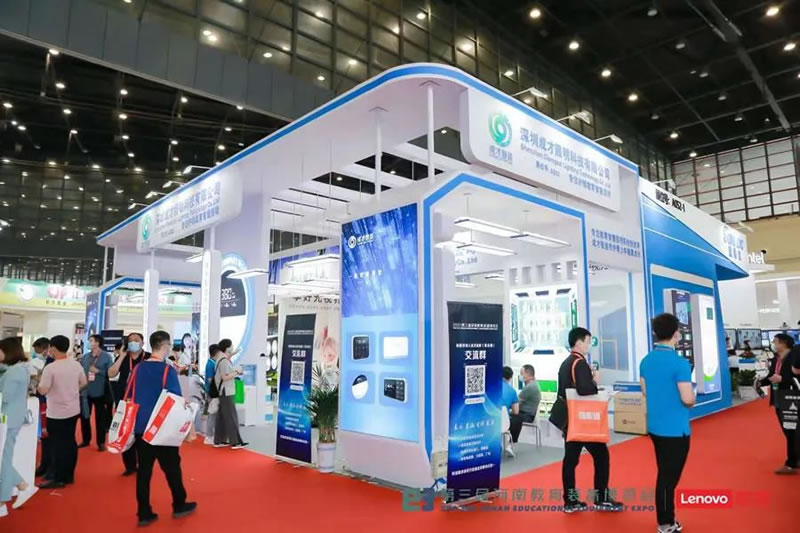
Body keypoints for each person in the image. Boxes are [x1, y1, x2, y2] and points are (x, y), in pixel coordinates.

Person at [131, 330, 196, 526]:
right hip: (162, 428)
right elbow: (176, 399)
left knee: (144, 471)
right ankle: (179, 504)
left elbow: (130, 392)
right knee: (172, 468)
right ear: (166, 345)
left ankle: (143, 512)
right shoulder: (167, 370)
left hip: (141, 426)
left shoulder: (138, 368)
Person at [640, 314, 695, 533]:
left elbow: (645, 391)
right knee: (668, 478)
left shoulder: (646, 360)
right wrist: (693, 396)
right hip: (676, 429)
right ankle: (665, 522)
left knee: (665, 473)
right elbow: (687, 399)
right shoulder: (680, 364)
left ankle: (666, 520)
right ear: (676, 334)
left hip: (655, 426)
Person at [558, 327, 623, 513]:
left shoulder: (566, 363)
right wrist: (595, 380)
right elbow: (585, 389)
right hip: (583, 421)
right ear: (579, 342)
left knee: (570, 461)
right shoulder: (579, 363)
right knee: (601, 456)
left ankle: (570, 501)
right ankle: (601, 498)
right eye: (588, 341)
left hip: (570, 420)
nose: (589, 345)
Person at [37, 335, 86, 489]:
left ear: (52, 348)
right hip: (73, 409)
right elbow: (84, 383)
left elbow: (43, 390)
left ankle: (58, 478)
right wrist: (71, 391)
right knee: (70, 442)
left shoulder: (50, 368)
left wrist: (38, 384)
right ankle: (68, 475)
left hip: (56, 412)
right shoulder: (75, 365)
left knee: (57, 445)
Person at [0, 338, 39, 516]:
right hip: (10, 418)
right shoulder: (18, 369)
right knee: (4, 459)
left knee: (4, 460)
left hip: (8, 420)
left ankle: (2, 501)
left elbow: (5, 396)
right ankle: (22, 486)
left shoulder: (14, 372)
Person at [108, 332, 149, 476]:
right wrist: (122, 356)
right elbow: (111, 373)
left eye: (136, 340)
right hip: (124, 401)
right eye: (130, 340)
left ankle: (143, 464)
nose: (133, 342)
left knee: (141, 435)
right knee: (125, 432)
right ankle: (130, 466)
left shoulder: (148, 358)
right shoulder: (124, 357)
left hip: (143, 401)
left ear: (142, 343)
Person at [758, 333, 798, 474]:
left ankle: (791, 463)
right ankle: (795, 459)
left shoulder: (795, 356)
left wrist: (783, 379)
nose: (773, 344)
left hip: (792, 397)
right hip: (778, 397)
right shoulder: (776, 358)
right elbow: (772, 375)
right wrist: (761, 382)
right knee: (788, 431)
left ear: (783, 343)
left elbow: (796, 376)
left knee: (792, 430)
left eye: (775, 341)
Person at [79, 334, 113, 451]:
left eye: (91, 340)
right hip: (85, 391)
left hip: (100, 392)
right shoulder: (85, 357)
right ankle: (86, 439)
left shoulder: (106, 357)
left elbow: (111, 373)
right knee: (85, 417)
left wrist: (98, 371)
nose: (89, 342)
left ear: (98, 343)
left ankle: (101, 442)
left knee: (100, 419)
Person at [214, 342, 247, 449]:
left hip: (223, 391)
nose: (232, 347)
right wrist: (237, 372)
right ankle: (235, 441)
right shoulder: (224, 361)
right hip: (226, 391)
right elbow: (225, 377)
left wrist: (233, 354)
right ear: (227, 347)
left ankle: (219, 440)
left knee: (222, 417)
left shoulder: (221, 359)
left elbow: (227, 359)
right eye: (231, 346)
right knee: (231, 416)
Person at [30, 338, 55, 479]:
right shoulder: (45, 362)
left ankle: (48, 466)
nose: (36, 352)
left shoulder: (52, 363)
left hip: (48, 402)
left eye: (37, 350)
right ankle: (44, 465)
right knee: (45, 436)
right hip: (41, 402)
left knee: (48, 436)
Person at [510, 364, 541, 443]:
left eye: (521, 373)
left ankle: (511, 442)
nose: (520, 376)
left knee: (506, 417)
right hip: (527, 414)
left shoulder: (530, 387)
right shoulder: (534, 384)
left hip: (527, 415)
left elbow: (515, 402)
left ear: (528, 374)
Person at [203, 344, 221, 445]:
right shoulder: (210, 364)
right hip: (212, 392)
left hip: (214, 392)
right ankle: (209, 436)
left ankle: (212, 435)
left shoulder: (214, 363)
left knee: (214, 414)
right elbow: (210, 380)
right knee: (212, 414)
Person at [501, 366, 520, 456]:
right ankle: (510, 444)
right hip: (504, 423)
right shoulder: (512, 391)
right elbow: (516, 411)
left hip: (488, 422)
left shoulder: (490, 387)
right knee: (518, 419)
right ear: (510, 378)